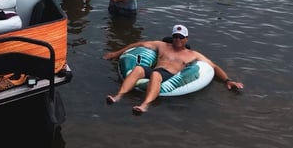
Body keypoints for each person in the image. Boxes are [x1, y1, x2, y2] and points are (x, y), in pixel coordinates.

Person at [104, 23, 243, 115]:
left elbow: (213, 66)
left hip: (168, 75)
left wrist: (228, 81)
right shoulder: (162, 45)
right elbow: (139, 44)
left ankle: (145, 105)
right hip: (156, 70)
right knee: (139, 69)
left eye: (181, 37)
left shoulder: (192, 54)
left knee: (156, 76)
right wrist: (115, 54)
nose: (177, 39)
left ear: (186, 39)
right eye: (175, 36)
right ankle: (118, 96)